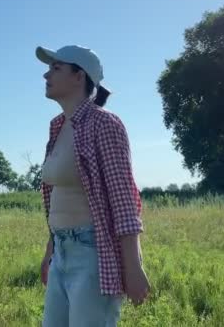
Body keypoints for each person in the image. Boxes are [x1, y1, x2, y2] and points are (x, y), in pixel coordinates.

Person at [37, 45, 150, 326]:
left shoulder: (105, 124)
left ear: (79, 76)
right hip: (62, 252)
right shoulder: (57, 126)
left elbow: (123, 199)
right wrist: (51, 252)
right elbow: (59, 196)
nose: (46, 74)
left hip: (92, 254)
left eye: (56, 68)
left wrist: (134, 267)